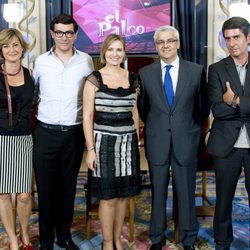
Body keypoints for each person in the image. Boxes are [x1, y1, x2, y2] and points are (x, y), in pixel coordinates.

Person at [138, 25, 209, 250]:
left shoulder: (196, 71)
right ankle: (157, 238)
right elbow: (143, 109)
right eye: (161, 42)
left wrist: (190, 130)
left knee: (186, 192)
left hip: (186, 140)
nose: (165, 45)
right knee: (157, 193)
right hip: (157, 140)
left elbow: (203, 108)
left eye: (170, 41)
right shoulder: (145, 73)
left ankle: (189, 239)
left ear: (178, 44)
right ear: (156, 46)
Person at [33, 14, 93, 250]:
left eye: (69, 32)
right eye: (59, 32)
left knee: (68, 186)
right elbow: (32, 93)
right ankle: (47, 239)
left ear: (76, 35)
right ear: (52, 34)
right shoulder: (40, 62)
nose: (64, 37)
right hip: (45, 133)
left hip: (73, 133)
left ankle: (64, 236)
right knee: (46, 188)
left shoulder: (87, 61)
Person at [83, 34, 141, 250]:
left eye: (119, 50)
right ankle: (107, 243)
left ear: (124, 52)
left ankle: (117, 238)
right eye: (111, 49)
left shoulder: (133, 78)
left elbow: (134, 112)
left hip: (128, 143)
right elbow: (88, 116)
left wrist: (136, 141)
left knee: (124, 196)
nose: (115, 54)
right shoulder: (94, 79)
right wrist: (90, 149)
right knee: (108, 197)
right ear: (104, 52)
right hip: (103, 144)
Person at [207, 17, 250, 250]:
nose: (232, 43)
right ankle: (222, 243)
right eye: (228, 38)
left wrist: (233, 99)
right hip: (227, 144)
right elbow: (217, 109)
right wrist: (242, 106)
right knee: (223, 199)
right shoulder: (216, 69)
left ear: (248, 38)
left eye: (236, 37)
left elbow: (227, 105)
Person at [0, 28, 35, 250]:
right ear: (1, 50)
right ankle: (12, 238)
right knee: (3, 193)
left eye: (15, 45)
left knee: (23, 195)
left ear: (22, 48)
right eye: (6, 46)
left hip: (24, 138)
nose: (11, 50)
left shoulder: (30, 73)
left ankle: (25, 233)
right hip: (0, 139)